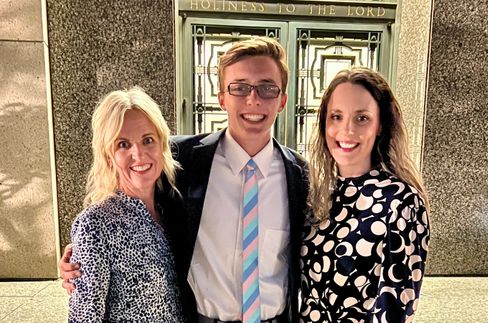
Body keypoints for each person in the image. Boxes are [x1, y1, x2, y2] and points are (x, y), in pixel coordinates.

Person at [60, 37, 309, 323]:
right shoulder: (182, 160)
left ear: (283, 100)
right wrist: (82, 254)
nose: (253, 98)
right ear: (221, 98)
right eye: (239, 87)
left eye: (267, 87)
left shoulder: (301, 176)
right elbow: (128, 194)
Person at [300, 67, 430, 322]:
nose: (347, 130)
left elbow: (394, 308)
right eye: (336, 116)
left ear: (381, 125)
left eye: (362, 118)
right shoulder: (317, 194)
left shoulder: (401, 202)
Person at [66, 87, 184, 322]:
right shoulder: (95, 224)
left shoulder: (172, 208)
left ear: (162, 144)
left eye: (147, 140)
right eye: (123, 144)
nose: (139, 154)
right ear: (108, 154)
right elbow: (84, 317)